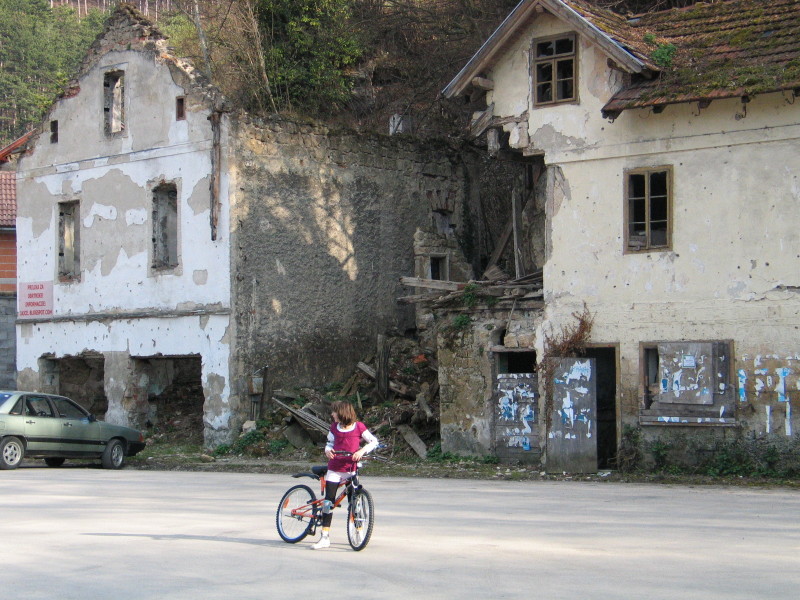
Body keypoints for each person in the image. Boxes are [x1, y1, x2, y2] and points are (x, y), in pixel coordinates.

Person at [312, 400, 378, 550]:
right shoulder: (334, 427)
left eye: (334, 411)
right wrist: (328, 451)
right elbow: (329, 443)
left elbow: (374, 441)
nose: (332, 414)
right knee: (328, 503)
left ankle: (359, 531)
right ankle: (324, 536)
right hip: (335, 469)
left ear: (342, 413)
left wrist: (361, 451)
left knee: (356, 503)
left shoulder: (359, 427)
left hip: (352, 470)